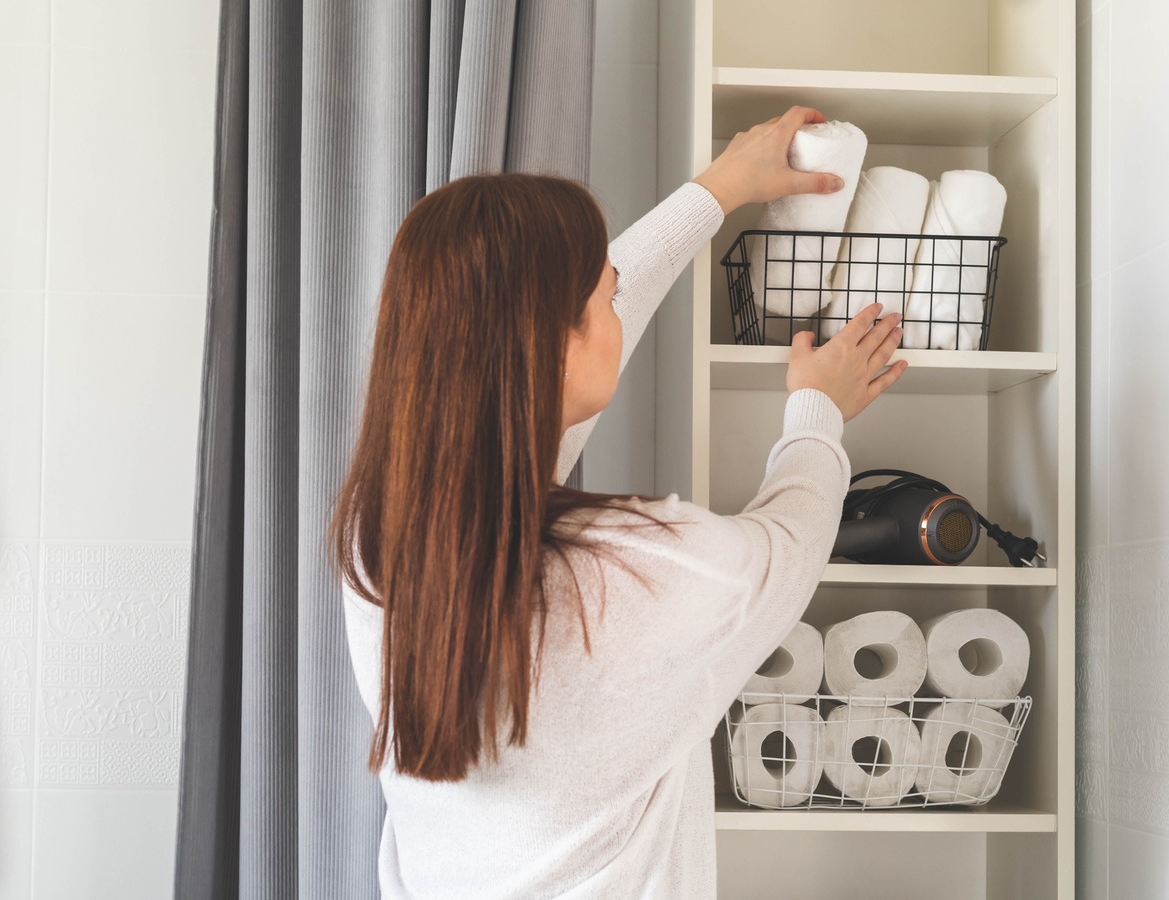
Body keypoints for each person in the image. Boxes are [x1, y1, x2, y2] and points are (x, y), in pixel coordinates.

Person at [330, 106, 908, 898]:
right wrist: (819, 410)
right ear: (550, 343)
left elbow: (529, 403)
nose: (616, 305)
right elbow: (786, 550)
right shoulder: (640, 577)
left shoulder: (380, 545)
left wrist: (716, 192)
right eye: (602, 298)